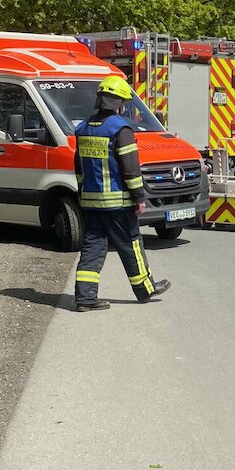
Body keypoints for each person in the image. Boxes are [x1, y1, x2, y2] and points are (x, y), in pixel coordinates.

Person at [73, 77, 171, 311]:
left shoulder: (83, 128)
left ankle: (85, 299)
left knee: (92, 248)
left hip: (90, 202)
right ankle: (146, 289)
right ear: (119, 103)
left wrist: (81, 192)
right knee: (131, 245)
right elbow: (130, 168)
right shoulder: (120, 128)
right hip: (117, 204)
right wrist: (139, 197)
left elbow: (78, 166)